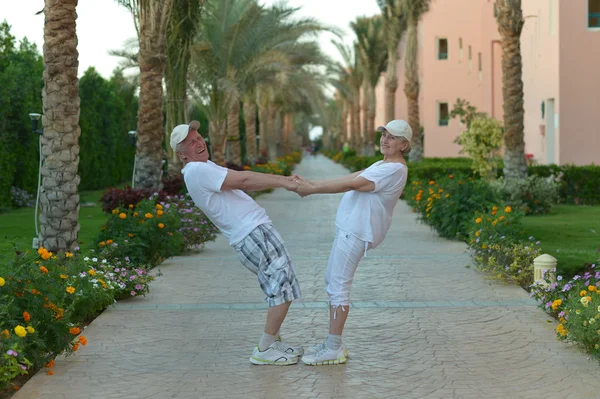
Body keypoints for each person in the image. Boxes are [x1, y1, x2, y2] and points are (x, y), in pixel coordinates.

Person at [170, 120, 303, 366]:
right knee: (282, 289)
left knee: (283, 287)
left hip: (255, 232)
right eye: (191, 143)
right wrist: (285, 181)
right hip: (253, 233)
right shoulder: (197, 171)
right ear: (181, 155)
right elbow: (244, 181)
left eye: (199, 138)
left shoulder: (203, 167)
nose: (199, 143)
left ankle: (271, 343)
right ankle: (264, 349)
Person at [293, 119, 412, 366]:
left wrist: (311, 190)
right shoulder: (384, 163)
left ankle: (334, 347)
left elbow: (352, 183)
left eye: (392, 137)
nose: (385, 139)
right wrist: (312, 183)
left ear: (404, 144)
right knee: (332, 279)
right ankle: (331, 343)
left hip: (357, 231)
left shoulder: (393, 169)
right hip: (350, 229)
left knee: (338, 285)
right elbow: (354, 176)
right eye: (384, 134)